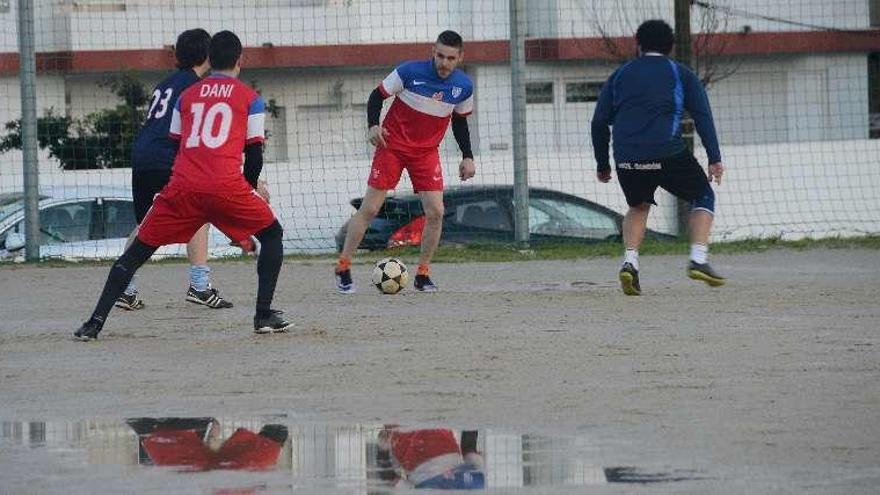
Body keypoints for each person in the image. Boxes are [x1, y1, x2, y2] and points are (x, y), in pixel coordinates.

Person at [74, 30, 291, 339]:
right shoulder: (250, 99)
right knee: (273, 235)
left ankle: (94, 322)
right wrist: (251, 189)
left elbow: (177, 144)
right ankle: (262, 315)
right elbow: (254, 155)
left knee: (136, 252)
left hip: (182, 187)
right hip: (226, 187)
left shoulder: (186, 96)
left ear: (210, 59)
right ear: (240, 60)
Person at [334, 30, 476, 293]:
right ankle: (343, 266)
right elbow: (377, 96)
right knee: (370, 209)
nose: (444, 63)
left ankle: (423, 274)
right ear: (433, 52)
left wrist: (467, 156)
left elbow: (459, 121)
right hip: (393, 147)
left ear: (460, 58)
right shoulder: (409, 72)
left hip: (426, 153)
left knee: (436, 212)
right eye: (440, 56)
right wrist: (373, 126)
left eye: (450, 58)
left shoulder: (464, 86)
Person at [591, 19, 726, 296]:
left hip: (627, 156)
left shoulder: (619, 75)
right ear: (671, 47)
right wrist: (714, 158)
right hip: (667, 152)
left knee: (638, 205)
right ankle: (698, 259)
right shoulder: (681, 73)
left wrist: (603, 164)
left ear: (637, 45)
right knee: (704, 196)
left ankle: (630, 263)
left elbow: (599, 122)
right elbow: (702, 116)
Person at [120, 28, 233, 311]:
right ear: (207, 55)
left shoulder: (165, 84)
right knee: (200, 211)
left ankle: (125, 287)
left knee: (145, 225)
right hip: (165, 157)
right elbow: (193, 134)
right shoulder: (195, 88)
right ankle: (199, 285)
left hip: (142, 157)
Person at [373, 427, 484, 490]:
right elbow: (387, 476)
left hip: (438, 445)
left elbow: (469, 450)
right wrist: (382, 448)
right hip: (416, 451)